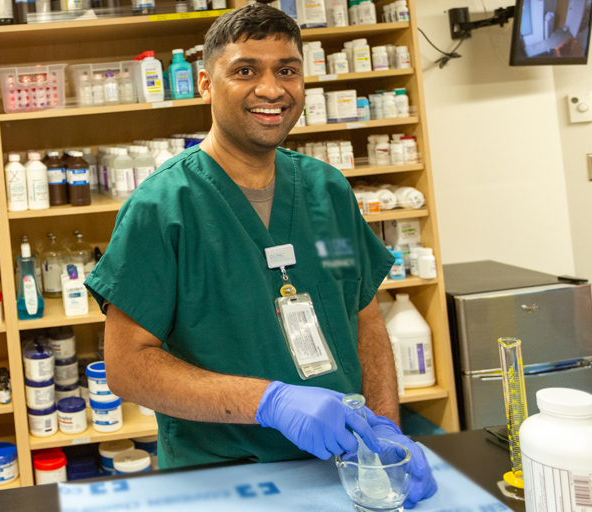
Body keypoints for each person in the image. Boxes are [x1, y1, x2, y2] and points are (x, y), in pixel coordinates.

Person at [84, 4, 436, 507]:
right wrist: (270, 402)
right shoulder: (163, 208)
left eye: (287, 71)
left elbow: (362, 316)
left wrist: (385, 437)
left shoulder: (327, 192)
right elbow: (127, 368)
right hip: (224, 479)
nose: (272, 89)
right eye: (246, 70)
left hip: (340, 467)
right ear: (205, 83)